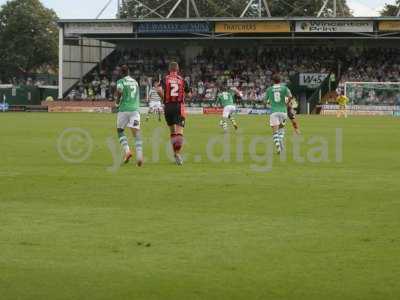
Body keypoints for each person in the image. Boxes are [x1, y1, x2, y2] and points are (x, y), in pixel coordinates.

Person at [157, 62, 190, 165]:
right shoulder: (182, 80)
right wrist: (184, 96)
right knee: (180, 132)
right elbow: (189, 94)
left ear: (169, 69)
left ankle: (175, 154)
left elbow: (158, 89)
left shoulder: (164, 79)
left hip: (168, 107)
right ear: (178, 69)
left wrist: (164, 99)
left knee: (172, 132)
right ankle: (177, 154)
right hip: (179, 107)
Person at [115, 65, 143, 166]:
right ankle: (139, 156)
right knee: (136, 133)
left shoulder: (121, 81)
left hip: (124, 109)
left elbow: (119, 90)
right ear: (128, 72)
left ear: (121, 73)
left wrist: (117, 102)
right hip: (135, 110)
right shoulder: (135, 82)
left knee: (120, 130)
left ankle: (127, 151)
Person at [265, 74, 293, 154]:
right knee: (281, 130)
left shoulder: (269, 89)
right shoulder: (284, 88)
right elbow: (290, 96)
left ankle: (278, 148)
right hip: (283, 111)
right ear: (280, 80)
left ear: (272, 81)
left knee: (275, 132)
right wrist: (287, 103)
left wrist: (270, 102)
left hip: (274, 111)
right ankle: (281, 142)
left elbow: (265, 101)